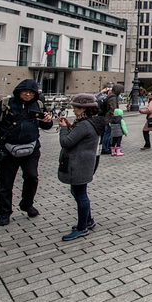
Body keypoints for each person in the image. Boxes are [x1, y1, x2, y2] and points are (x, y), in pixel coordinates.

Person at [0, 79, 53, 225]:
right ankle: (5, 212)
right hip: (7, 150)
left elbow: (46, 126)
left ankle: (27, 204)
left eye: (31, 92)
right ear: (18, 91)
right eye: (24, 91)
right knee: (5, 183)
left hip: (31, 149)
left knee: (32, 178)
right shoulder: (5, 105)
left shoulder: (38, 105)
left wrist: (48, 121)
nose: (27, 94)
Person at [56, 93, 105, 241]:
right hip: (86, 162)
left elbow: (66, 142)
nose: (74, 110)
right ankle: (88, 221)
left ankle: (82, 227)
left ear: (83, 109)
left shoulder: (84, 124)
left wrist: (64, 128)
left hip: (78, 163)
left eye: (75, 108)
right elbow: (80, 136)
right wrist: (71, 126)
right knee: (79, 192)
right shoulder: (92, 122)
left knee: (80, 195)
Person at [98, 83, 123, 155]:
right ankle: (105, 148)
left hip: (107, 117)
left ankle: (108, 147)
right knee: (108, 133)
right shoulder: (113, 97)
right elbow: (113, 109)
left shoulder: (110, 96)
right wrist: (116, 117)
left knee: (108, 133)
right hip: (109, 118)